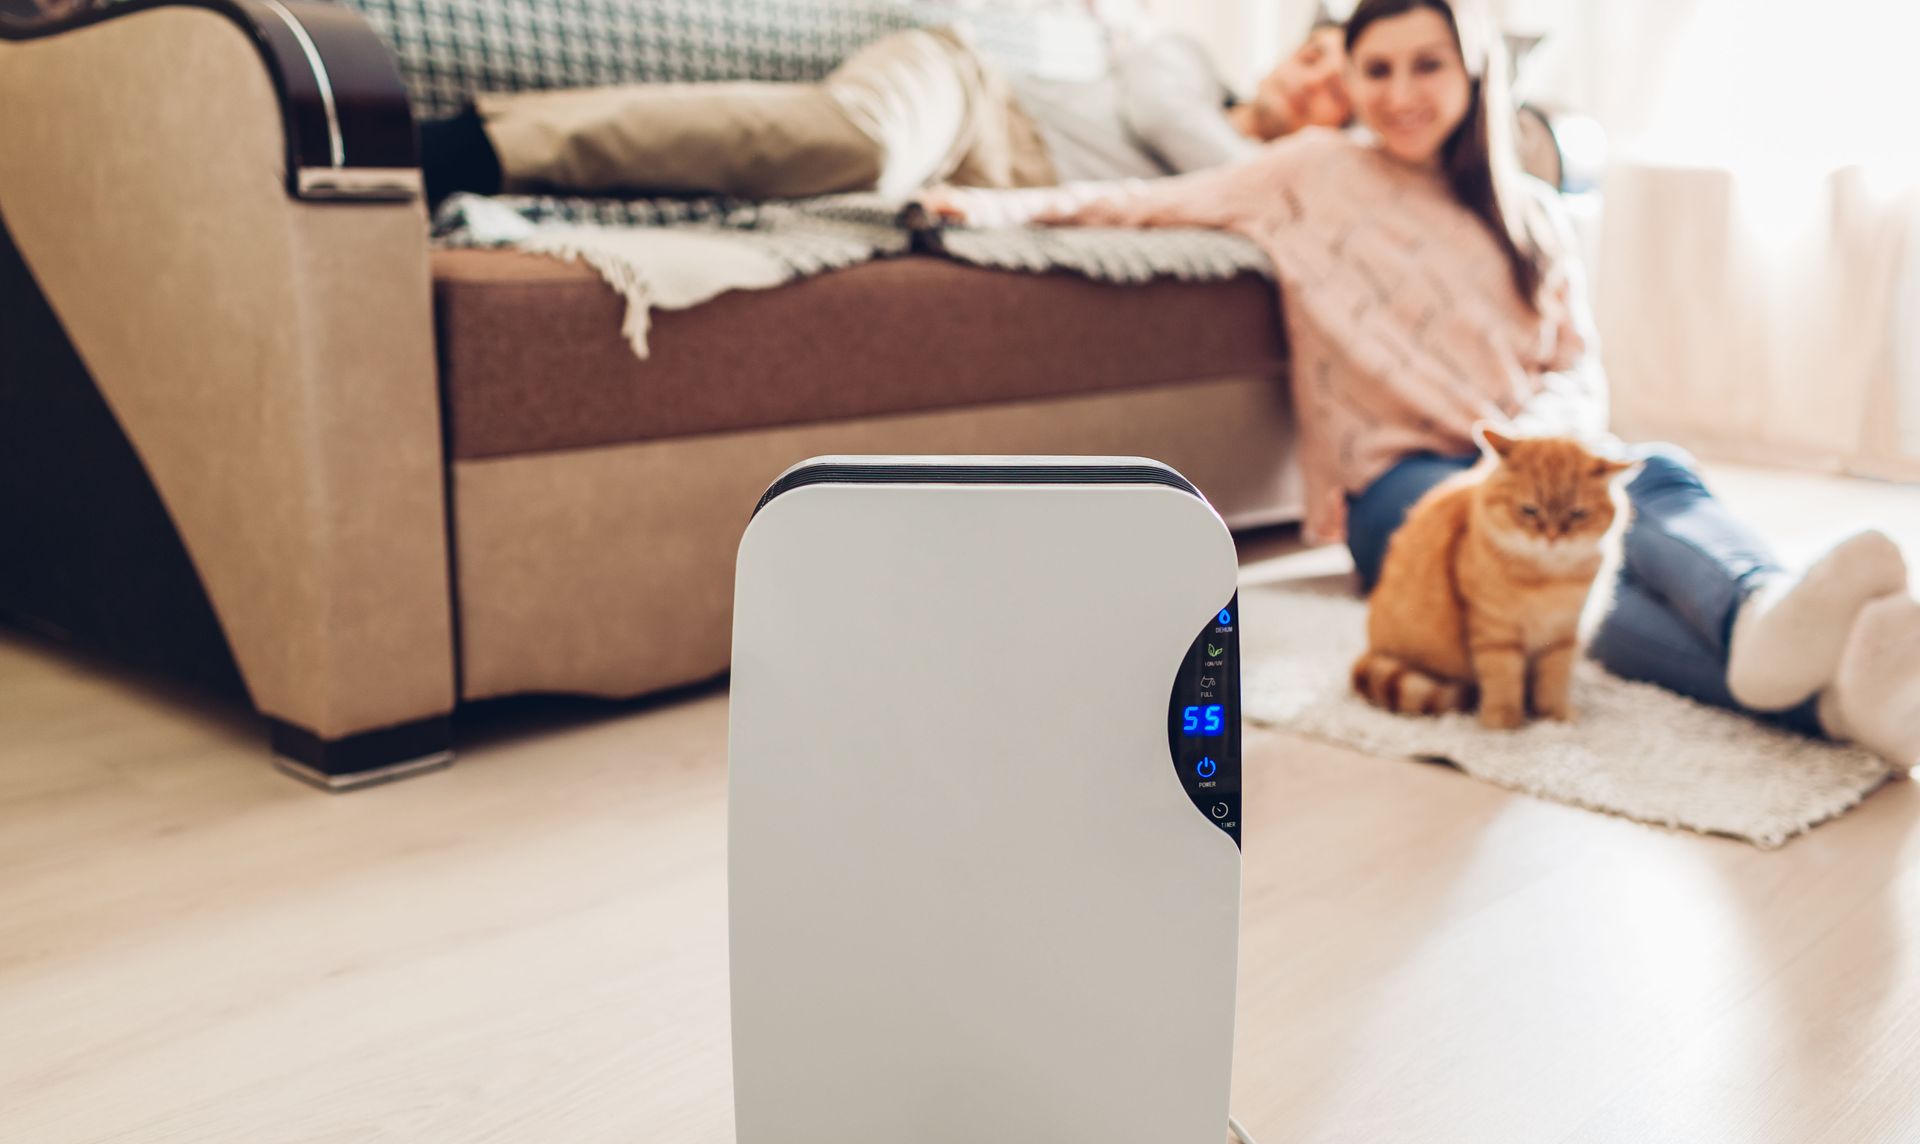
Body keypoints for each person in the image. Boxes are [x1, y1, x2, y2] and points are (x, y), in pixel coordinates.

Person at [927, 0, 1920, 767]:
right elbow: (1150, 203)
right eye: (1377, 70)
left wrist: (1540, 447)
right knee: (1521, 578)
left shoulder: (1531, 214)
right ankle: (1776, 639)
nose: (1401, 91)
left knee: (1652, 473)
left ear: (1473, 68)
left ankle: (1799, 654)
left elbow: (1577, 363)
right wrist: (990, 208)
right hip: (1404, 483)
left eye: (1426, 65)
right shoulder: (1309, 170)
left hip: (1528, 454)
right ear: (1352, 80)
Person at [418, 21, 1351, 207]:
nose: (1313, 84)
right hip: (967, 96)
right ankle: (473, 146)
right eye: (1316, 57)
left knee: (858, 169)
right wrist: (1300, 164)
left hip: (986, 185)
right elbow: (1170, 119)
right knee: (862, 147)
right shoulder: (1185, 67)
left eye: (1339, 92)